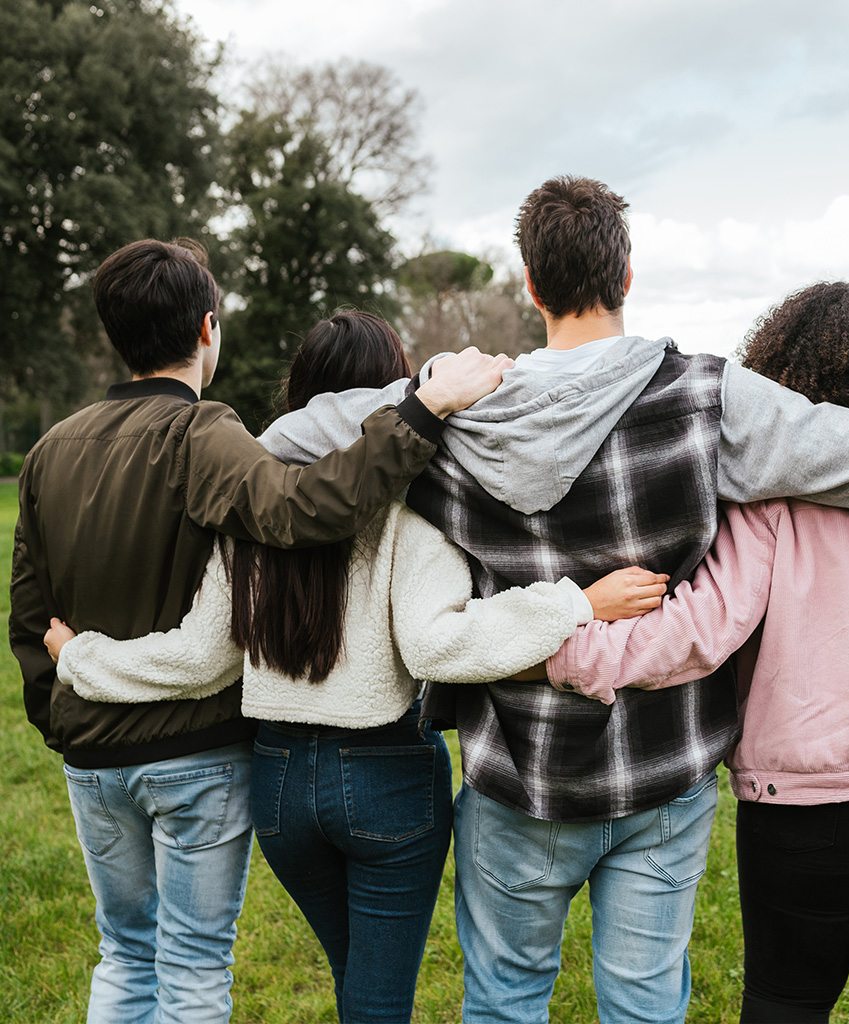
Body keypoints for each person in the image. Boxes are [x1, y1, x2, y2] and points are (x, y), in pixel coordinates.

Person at [256, 178, 849, 1023]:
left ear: (532, 286)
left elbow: (283, 440)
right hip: (664, 763)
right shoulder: (709, 399)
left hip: (518, 764)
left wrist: (424, 394)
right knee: (645, 1005)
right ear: (628, 275)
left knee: (504, 1001)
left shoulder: (457, 411)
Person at [44, 309, 666, 1024]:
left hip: (278, 786)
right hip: (385, 775)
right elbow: (438, 646)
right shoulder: (411, 502)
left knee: (357, 985)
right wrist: (575, 603)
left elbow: (197, 658)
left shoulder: (250, 505)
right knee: (375, 1001)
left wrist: (79, 657)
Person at [7, 238, 510, 1024]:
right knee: (195, 965)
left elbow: (29, 616)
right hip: (197, 755)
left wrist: (64, 716)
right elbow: (301, 511)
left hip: (101, 759)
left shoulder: (46, 453)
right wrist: (421, 410)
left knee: (124, 955)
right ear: (208, 329)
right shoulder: (204, 432)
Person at [545, 281, 849, 1023]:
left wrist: (560, 649)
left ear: (787, 381)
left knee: (787, 1003)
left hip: (810, 793)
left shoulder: (774, 493)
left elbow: (700, 630)